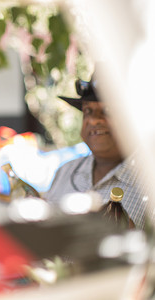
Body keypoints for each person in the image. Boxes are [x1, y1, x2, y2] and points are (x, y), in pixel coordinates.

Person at [45, 69, 150, 229]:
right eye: (88, 111)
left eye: (107, 111)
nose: (94, 120)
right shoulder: (65, 171)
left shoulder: (149, 182)